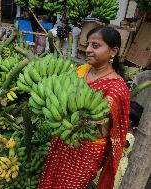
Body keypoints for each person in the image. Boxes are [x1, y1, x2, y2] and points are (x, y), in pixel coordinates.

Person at [38, 26, 130, 189]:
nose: (88, 50)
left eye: (95, 46)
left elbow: (102, 129)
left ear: (113, 51)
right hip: (62, 140)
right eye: (87, 45)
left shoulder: (116, 87)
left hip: (84, 151)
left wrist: (72, 123)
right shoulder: (82, 70)